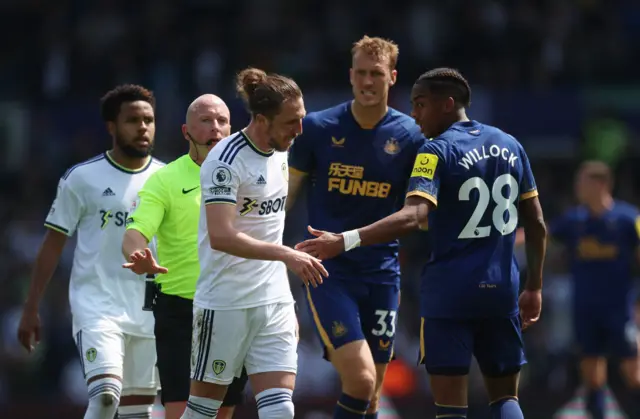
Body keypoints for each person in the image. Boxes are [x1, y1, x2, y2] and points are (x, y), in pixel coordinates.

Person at [296, 68, 548, 419]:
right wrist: (534, 286)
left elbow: (413, 216)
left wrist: (347, 239)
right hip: (502, 290)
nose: (414, 114)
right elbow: (536, 222)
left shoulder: (434, 152)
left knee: (450, 409)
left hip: (450, 294)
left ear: (447, 104)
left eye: (420, 105)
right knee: (506, 399)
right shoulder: (510, 145)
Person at [286, 35, 425, 419]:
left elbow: (417, 213)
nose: (367, 82)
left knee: (373, 397)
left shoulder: (412, 137)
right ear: (350, 75)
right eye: (361, 73)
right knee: (361, 380)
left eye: (376, 74)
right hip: (327, 273)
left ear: (392, 77)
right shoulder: (316, 128)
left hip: (382, 275)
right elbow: (285, 197)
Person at [180, 67, 327, 419]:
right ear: (262, 119)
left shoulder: (282, 152)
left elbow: (268, 228)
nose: (300, 130)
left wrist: (285, 299)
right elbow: (222, 236)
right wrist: (287, 256)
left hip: (272, 301)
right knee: (203, 411)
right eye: (292, 121)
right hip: (225, 302)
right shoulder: (223, 161)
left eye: (301, 119)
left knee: (280, 411)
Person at [17, 85, 165, 419]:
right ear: (111, 126)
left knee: (138, 412)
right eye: (132, 120)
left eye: (149, 120)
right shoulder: (81, 178)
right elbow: (52, 245)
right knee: (105, 397)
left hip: (149, 311)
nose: (143, 127)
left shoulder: (167, 178)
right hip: (97, 307)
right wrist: (31, 307)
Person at [121, 94, 250, 419]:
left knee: (222, 413)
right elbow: (135, 233)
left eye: (222, 121)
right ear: (186, 131)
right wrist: (139, 256)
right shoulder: (165, 181)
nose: (215, 128)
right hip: (180, 312)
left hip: (231, 308)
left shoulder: (248, 176)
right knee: (180, 412)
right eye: (206, 121)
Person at [541, 161, 640, 419]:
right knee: (592, 375)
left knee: (633, 374)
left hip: (619, 309)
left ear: (600, 184)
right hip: (585, 309)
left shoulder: (629, 219)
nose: (577, 188)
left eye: (581, 182)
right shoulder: (574, 220)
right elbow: (542, 236)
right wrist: (505, 239)